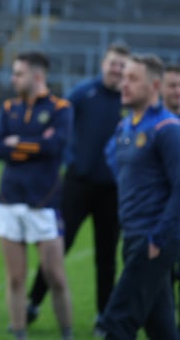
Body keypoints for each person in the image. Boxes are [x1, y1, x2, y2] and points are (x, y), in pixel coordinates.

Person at [27, 43, 130, 327]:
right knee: (56, 248)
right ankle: (33, 303)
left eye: (123, 65)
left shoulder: (129, 99)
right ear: (103, 64)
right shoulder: (85, 93)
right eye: (113, 63)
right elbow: (60, 119)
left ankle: (103, 317)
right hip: (77, 185)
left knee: (107, 256)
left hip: (113, 190)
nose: (117, 69)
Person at [0, 51, 74, 340]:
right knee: (15, 279)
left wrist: (17, 144)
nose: (13, 79)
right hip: (9, 201)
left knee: (56, 278)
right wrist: (34, 143)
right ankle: (20, 334)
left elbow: (55, 147)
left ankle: (67, 333)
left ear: (37, 76)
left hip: (44, 203)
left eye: (18, 73)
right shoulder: (9, 106)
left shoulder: (61, 108)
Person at [96, 54, 180, 339]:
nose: (124, 85)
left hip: (151, 240)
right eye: (123, 78)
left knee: (117, 323)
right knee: (162, 328)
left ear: (154, 86)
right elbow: (114, 162)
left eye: (133, 79)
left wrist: (159, 238)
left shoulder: (167, 129)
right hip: (132, 236)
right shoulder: (126, 127)